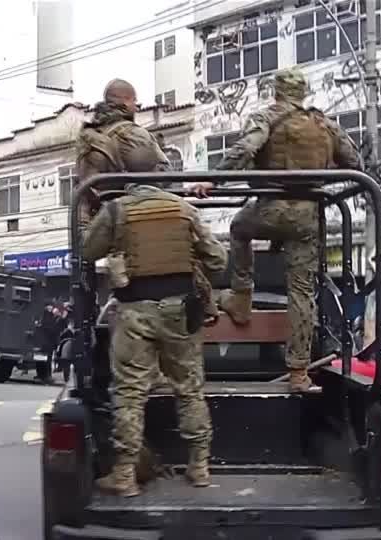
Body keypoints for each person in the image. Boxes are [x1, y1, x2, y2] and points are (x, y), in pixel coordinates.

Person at [191, 68, 362, 392]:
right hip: (307, 216)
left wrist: (213, 180)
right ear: (304, 92)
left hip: (271, 207)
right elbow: (355, 162)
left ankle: (242, 297)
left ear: (276, 92)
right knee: (301, 292)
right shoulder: (324, 124)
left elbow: (245, 150)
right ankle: (298, 373)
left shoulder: (266, 117)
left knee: (239, 227)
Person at [83, 181, 228, 497]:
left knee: (130, 391)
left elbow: (87, 250)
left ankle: (124, 476)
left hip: (134, 311)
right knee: (189, 387)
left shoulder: (117, 209)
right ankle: (200, 467)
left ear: (132, 184)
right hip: (180, 310)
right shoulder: (184, 208)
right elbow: (218, 260)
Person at [75, 79, 171, 228]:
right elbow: (162, 176)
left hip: (95, 225)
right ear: (126, 102)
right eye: (135, 102)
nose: (137, 108)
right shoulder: (133, 134)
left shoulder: (87, 137)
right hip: (131, 222)